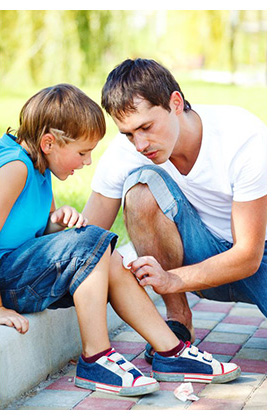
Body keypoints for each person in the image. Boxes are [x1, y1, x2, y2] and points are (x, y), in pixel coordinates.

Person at [0, 84, 241, 398]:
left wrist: (56, 223)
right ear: (49, 142)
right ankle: (96, 357)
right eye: (82, 152)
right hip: (8, 280)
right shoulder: (16, 166)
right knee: (93, 243)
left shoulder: (40, 164)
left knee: (106, 253)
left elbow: (35, 238)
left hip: (19, 271)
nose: (86, 162)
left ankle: (171, 353)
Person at [83, 58, 267, 363]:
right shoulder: (127, 152)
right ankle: (178, 321)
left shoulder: (242, 137)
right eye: (128, 133)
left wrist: (173, 279)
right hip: (198, 252)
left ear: (176, 102)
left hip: (260, 257)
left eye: (146, 127)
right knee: (140, 189)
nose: (140, 144)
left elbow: (248, 255)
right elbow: (86, 237)